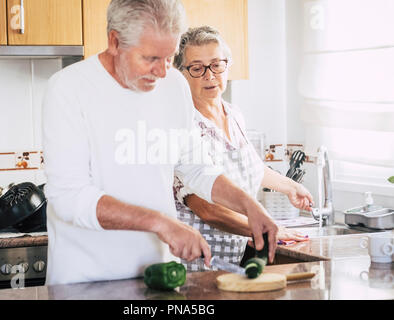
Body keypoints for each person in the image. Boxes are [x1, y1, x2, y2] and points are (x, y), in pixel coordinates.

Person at [42, 0, 279, 286]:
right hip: (87, 279)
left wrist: (250, 206)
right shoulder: (69, 89)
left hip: (163, 275)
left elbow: (197, 169)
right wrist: (161, 223)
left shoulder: (174, 86)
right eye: (151, 58)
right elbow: (69, 197)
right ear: (115, 41)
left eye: (170, 57)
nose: (163, 71)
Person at [173, 26, 314, 271]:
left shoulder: (233, 114)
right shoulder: (181, 124)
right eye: (197, 68)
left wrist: (290, 186)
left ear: (228, 65)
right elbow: (206, 209)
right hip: (192, 263)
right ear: (181, 74)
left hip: (231, 257)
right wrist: (269, 227)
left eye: (217, 64)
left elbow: (251, 168)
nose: (210, 75)